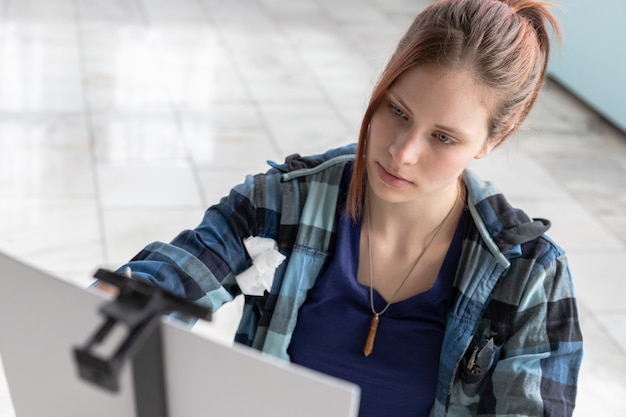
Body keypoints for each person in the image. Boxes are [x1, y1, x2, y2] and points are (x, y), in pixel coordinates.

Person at [110, 0, 583, 415]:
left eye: (442, 137)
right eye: (396, 110)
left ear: (492, 140)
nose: (403, 151)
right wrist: (111, 305)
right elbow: (174, 278)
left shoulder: (529, 276)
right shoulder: (279, 204)